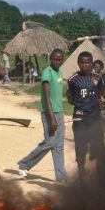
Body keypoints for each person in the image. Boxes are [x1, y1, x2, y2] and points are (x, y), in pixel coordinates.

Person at [17, 49, 67, 182]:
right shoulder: (47, 73)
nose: (58, 61)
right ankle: (24, 164)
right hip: (49, 113)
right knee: (50, 142)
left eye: (60, 59)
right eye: (56, 59)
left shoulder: (59, 72)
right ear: (50, 58)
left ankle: (61, 175)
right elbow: (47, 97)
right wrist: (52, 118)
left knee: (59, 146)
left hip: (60, 112)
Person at [67, 51, 105, 177]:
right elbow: (71, 99)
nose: (85, 65)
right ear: (78, 64)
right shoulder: (73, 80)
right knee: (80, 144)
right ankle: (81, 171)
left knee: (98, 145)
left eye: (87, 62)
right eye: (82, 63)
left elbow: (100, 95)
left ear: (91, 63)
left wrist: (99, 106)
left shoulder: (97, 78)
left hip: (95, 117)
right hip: (80, 118)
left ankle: (99, 173)